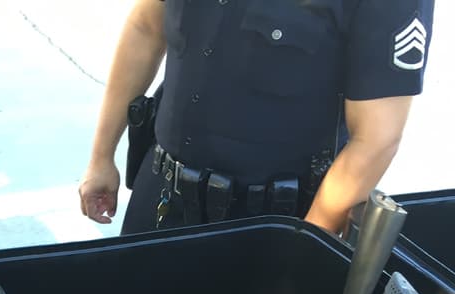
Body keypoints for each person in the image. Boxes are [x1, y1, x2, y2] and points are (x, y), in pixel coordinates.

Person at [78, 0, 434, 237]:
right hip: (158, 197)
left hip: (268, 228)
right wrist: (101, 156)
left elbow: (377, 137)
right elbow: (146, 28)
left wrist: (302, 250)